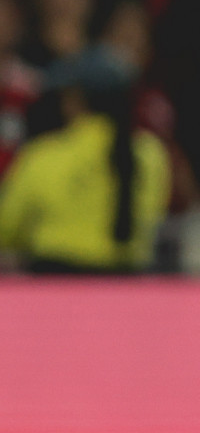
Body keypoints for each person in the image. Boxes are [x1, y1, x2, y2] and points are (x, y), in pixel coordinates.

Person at [0, 47, 169, 274]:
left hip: (52, 288)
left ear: (75, 100)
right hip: (128, 288)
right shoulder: (151, 154)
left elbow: (6, 229)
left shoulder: (43, 155)